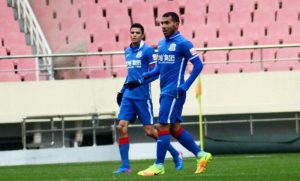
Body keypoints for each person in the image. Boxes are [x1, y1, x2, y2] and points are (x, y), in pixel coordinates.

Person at [135, 12, 212, 176]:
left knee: (162, 125)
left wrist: (185, 85)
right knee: (175, 128)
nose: (163, 26)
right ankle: (201, 154)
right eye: (161, 23)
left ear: (176, 24)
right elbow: (160, 69)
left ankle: (159, 165)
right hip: (164, 91)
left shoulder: (183, 43)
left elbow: (198, 65)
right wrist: (150, 74)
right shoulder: (161, 44)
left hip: (174, 92)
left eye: (167, 23)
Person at [113, 23, 183, 174]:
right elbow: (130, 74)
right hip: (128, 97)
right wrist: (123, 89)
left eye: (138, 32)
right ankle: (125, 166)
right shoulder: (127, 52)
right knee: (121, 126)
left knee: (150, 131)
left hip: (143, 98)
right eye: (132, 32)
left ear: (142, 35)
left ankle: (175, 153)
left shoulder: (148, 50)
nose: (134, 35)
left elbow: (155, 73)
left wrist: (139, 82)